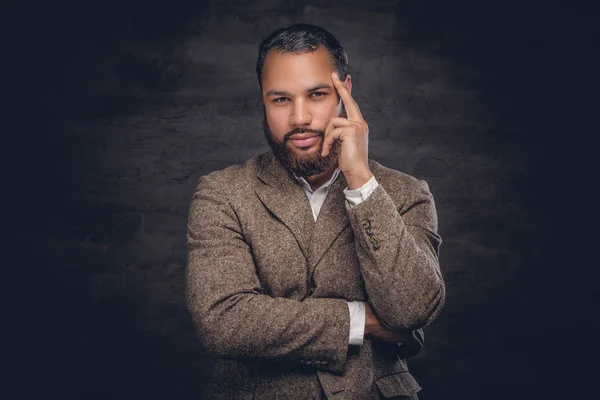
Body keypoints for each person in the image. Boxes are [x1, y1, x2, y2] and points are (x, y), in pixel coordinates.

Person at [186, 23, 445, 400]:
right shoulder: (222, 193)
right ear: (262, 99)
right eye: (280, 99)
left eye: (317, 94)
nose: (299, 118)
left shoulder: (405, 193)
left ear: (346, 92)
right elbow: (223, 320)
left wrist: (359, 178)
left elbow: (412, 310)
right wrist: (364, 321)